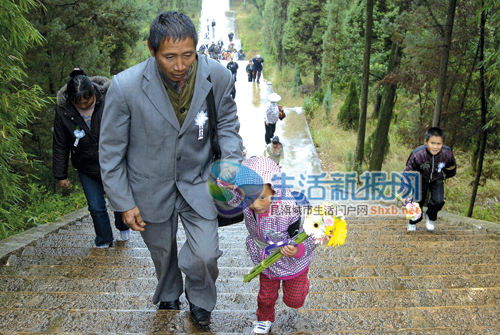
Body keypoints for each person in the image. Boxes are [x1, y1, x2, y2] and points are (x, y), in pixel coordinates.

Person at [99, 11, 243, 326]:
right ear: (152, 51)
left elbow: (229, 127)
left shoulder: (217, 77)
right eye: (170, 57)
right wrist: (123, 202)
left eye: (188, 55)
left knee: (205, 253)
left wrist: (231, 166)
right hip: (149, 186)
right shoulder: (125, 87)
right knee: (162, 252)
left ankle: (201, 299)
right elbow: (110, 151)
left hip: (199, 181)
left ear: (196, 48)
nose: (180, 66)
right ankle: (168, 290)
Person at [227, 156, 316, 334]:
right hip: (266, 257)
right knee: (266, 296)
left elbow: (311, 234)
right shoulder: (247, 201)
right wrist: (228, 183)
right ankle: (264, 318)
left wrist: (297, 249)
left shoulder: (289, 207)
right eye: (249, 197)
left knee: (294, 301)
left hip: (291, 259)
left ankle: (303, 285)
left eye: (261, 197)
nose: (255, 204)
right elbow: (229, 194)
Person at [53, 68, 130, 248]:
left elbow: (127, 126)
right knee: (96, 206)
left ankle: (122, 225)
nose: (85, 104)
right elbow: (60, 142)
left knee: (119, 201)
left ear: (94, 93)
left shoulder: (109, 97)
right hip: (86, 165)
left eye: (88, 100)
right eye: (80, 103)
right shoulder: (63, 111)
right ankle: (103, 240)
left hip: (113, 162)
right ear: (72, 101)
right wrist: (60, 174)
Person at [404, 127, 456, 232]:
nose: (435, 147)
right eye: (432, 143)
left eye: (438, 144)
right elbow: (408, 171)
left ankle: (431, 217)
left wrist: (446, 175)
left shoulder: (447, 153)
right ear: (426, 141)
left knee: (439, 201)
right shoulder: (417, 154)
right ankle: (413, 222)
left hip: (437, 178)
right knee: (416, 201)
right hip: (420, 179)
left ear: (443, 143)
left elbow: (452, 167)